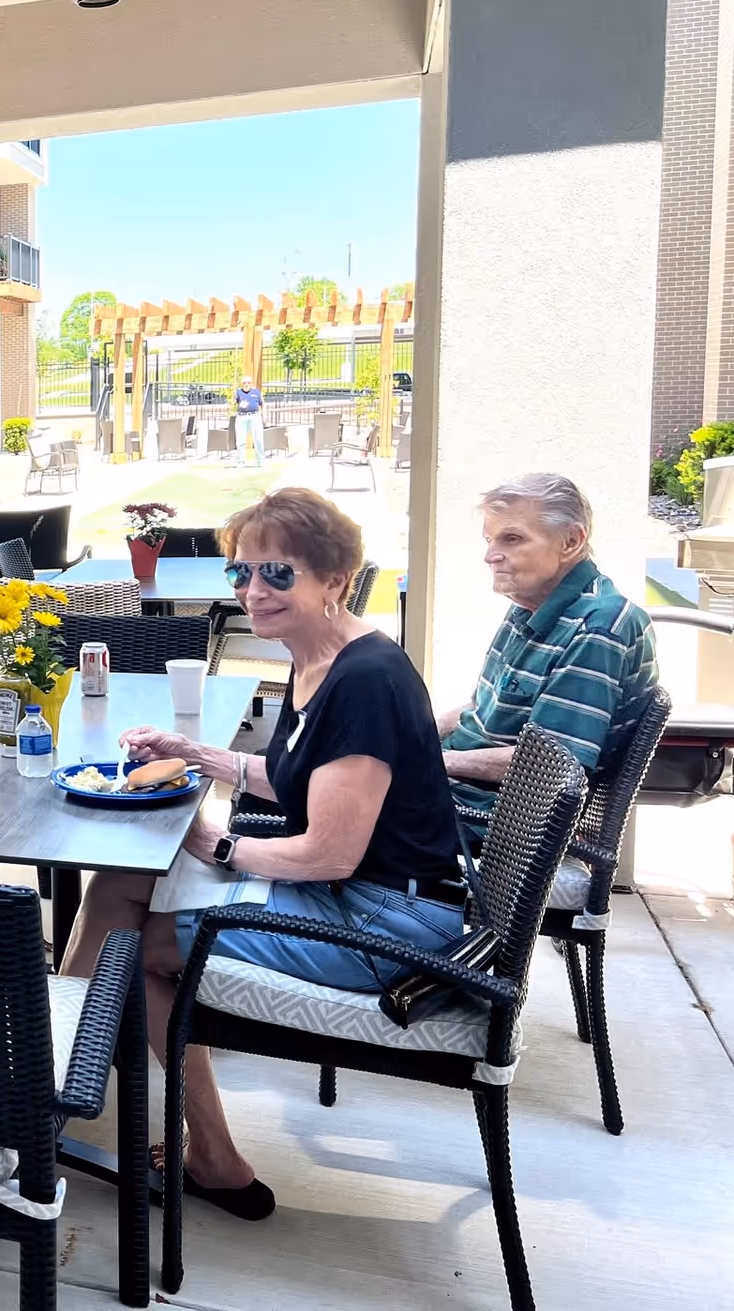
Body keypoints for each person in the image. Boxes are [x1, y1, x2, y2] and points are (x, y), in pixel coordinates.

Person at [60, 488, 464, 1221]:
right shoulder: (320, 659)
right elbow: (292, 781)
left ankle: (97, 1110)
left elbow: (327, 854)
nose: (252, 592)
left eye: (277, 574)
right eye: (239, 574)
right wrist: (192, 752)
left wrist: (217, 843)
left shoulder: (366, 679)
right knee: (120, 882)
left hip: (388, 924)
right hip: (362, 894)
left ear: (334, 580)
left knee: (146, 943)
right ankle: (50, 1063)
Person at [439, 474, 657, 817]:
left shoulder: (599, 628)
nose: (490, 555)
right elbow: (483, 709)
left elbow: (552, 765)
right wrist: (416, 732)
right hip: (451, 795)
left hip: (487, 823)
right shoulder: (529, 604)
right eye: (489, 539)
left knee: (334, 808)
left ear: (570, 541)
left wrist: (433, 761)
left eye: (511, 539)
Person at [233, 375, 265, 467]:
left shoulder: (256, 392)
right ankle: (241, 461)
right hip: (242, 417)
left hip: (255, 416)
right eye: (244, 383)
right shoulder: (238, 392)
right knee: (240, 440)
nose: (246, 384)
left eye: (248, 383)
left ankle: (260, 461)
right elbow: (234, 402)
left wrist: (263, 414)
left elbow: (262, 403)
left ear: (251, 384)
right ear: (241, 384)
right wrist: (233, 396)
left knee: (258, 439)